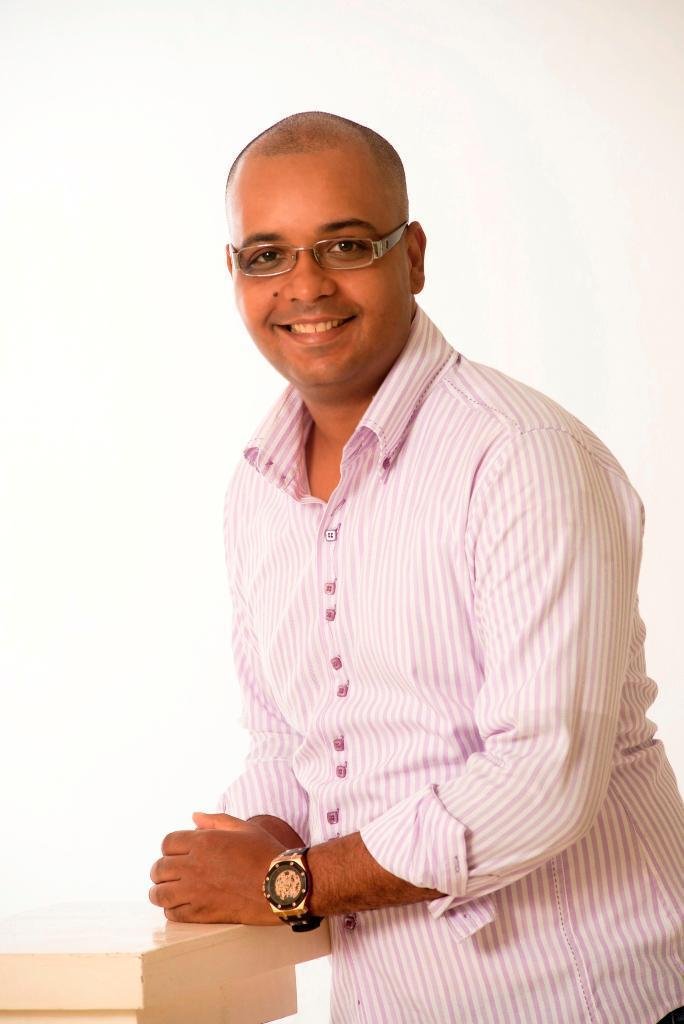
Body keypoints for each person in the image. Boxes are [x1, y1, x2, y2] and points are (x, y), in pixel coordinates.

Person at [149, 111, 684, 1024]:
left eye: (345, 244)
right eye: (267, 255)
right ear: (234, 274)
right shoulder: (258, 490)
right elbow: (288, 740)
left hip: (591, 1001)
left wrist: (287, 882)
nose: (305, 286)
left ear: (415, 256)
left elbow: (540, 777)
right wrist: (245, 845)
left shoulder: (520, 456)